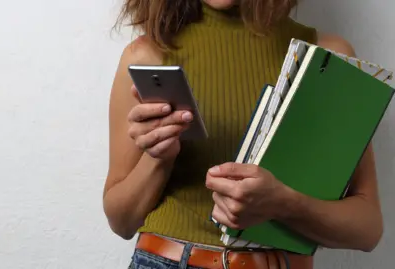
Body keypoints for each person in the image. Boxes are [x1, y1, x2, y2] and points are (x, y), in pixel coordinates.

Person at [103, 0, 384, 268]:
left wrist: (283, 204)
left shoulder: (327, 57)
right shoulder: (147, 55)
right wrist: (158, 158)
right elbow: (121, 221)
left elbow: (367, 229)